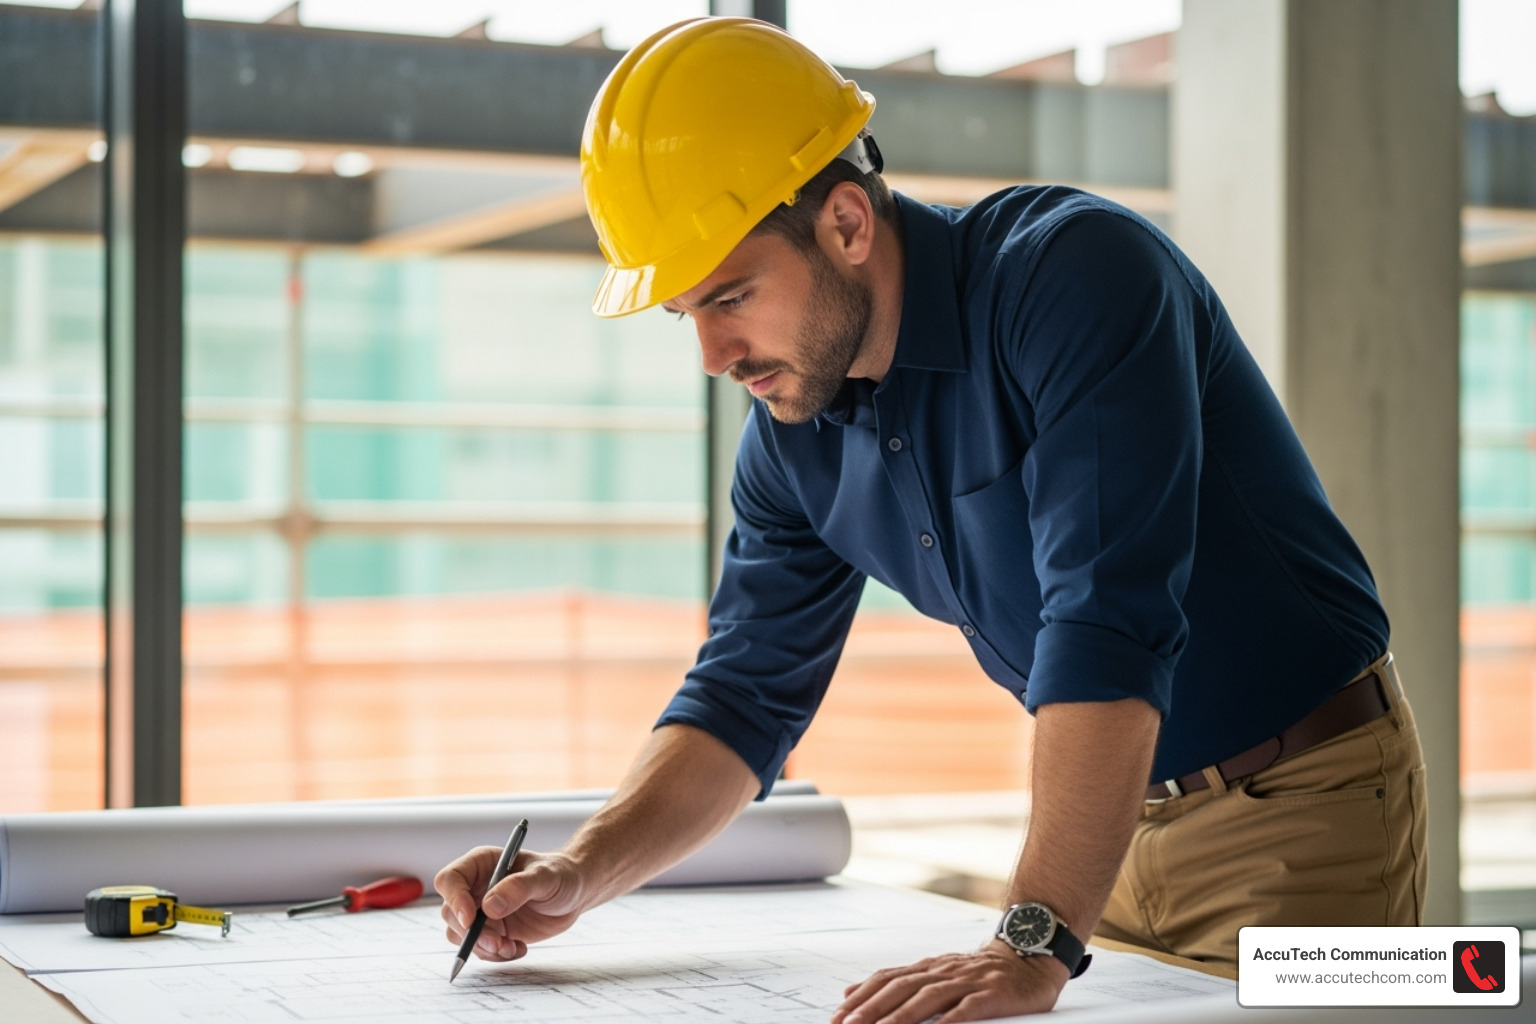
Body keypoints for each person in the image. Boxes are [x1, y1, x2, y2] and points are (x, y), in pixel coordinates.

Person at [435, 16, 1428, 1023]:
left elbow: (1107, 624)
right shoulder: (791, 433)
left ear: (848, 223)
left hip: (1303, 810)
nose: (713, 354)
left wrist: (1032, 938)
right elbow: (743, 696)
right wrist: (579, 871)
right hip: (1101, 834)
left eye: (731, 294)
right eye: (684, 311)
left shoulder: (1075, 279)